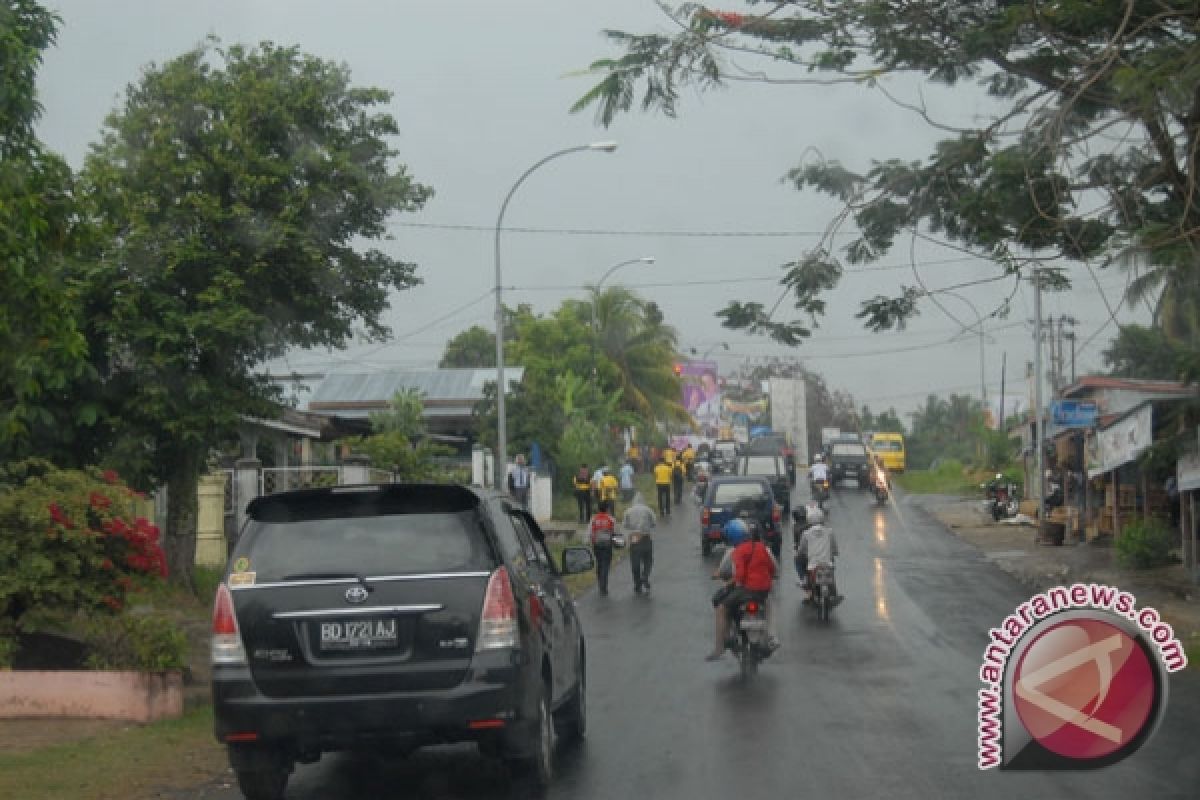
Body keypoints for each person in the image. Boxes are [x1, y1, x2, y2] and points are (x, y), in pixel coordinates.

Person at [707, 517, 778, 660]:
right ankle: (771, 637)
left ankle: (719, 647)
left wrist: (729, 582)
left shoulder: (737, 551)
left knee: (721, 608)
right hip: (763, 591)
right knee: (770, 606)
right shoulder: (761, 547)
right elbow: (772, 569)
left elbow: (739, 575)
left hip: (747, 590)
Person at [795, 506, 840, 604]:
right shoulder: (829, 532)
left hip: (813, 565)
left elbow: (801, 549)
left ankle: (807, 586)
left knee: (806, 574)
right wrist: (835, 553)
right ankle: (834, 593)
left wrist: (800, 554)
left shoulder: (806, 533)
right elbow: (834, 547)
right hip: (827, 564)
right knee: (831, 568)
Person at [622, 492, 657, 594]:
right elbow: (654, 523)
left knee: (635, 562)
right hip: (646, 537)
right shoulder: (648, 510)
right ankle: (645, 576)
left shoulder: (628, 511)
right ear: (643, 501)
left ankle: (637, 584)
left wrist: (632, 529)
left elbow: (625, 525)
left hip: (634, 538)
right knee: (648, 560)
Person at [589, 500, 618, 596]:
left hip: (597, 545)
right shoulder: (611, 519)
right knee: (606, 565)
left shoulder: (594, 519)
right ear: (607, 509)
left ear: (598, 508)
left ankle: (600, 583)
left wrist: (591, 541)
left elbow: (590, 532)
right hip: (607, 545)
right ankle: (603, 586)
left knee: (599, 564)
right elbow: (614, 532)